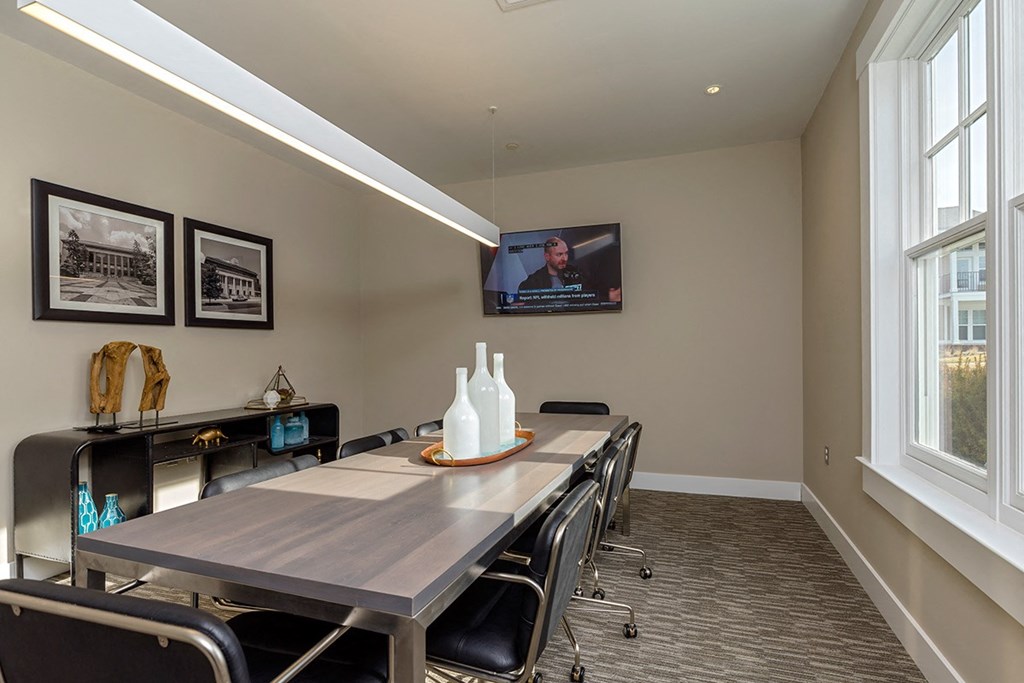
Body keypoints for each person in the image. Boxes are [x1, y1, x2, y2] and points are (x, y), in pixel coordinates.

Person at [518, 237, 621, 302]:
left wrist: (607, 295)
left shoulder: (576, 272)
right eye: (559, 254)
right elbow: (521, 298)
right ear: (547, 257)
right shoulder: (534, 281)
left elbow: (591, 291)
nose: (564, 258)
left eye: (566, 253)